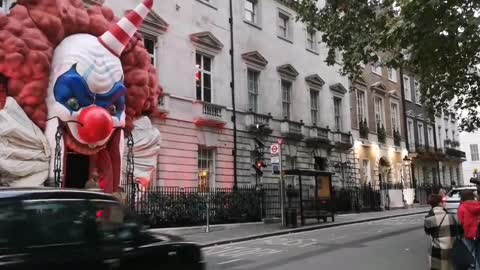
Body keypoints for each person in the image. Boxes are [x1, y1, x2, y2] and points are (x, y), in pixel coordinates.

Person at [424, 194, 459, 270]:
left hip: (437, 250)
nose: (444, 203)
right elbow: (457, 231)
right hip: (452, 249)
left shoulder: (428, 219)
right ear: (440, 203)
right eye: (443, 202)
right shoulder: (452, 216)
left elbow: (428, 232)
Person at [457, 190, 480, 269]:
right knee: (478, 254)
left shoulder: (462, 207)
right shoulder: (479, 205)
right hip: (478, 232)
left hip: (468, 234)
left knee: (470, 252)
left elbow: (460, 222)